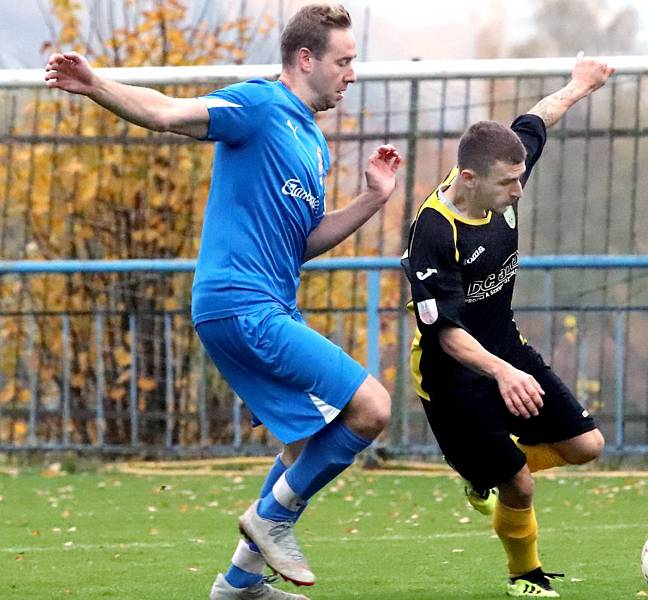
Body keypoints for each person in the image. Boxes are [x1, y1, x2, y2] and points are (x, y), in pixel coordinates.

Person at [45, 4, 401, 600]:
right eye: (344, 62)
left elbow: (300, 245)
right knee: (371, 407)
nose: (351, 75)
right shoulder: (260, 106)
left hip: (260, 304)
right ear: (305, 60)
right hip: (243, 305)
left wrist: (371, 199)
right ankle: (269, 521)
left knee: (304, 446)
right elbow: (166, 112)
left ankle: (239, 585)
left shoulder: (310, 139)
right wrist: (95, 84)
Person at [401, 53, 613, 598]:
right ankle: (525, 576)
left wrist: (578, 85)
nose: (519, 192)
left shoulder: (502, 171)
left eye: (521, 178)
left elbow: (537, 120)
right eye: (508, 184)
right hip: (452, 378)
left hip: (505, 350)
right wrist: (503, 375)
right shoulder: (433, 234)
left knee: (587, 446)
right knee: (518, 483)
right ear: (468, 179)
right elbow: (444, 335)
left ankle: (485, 474)